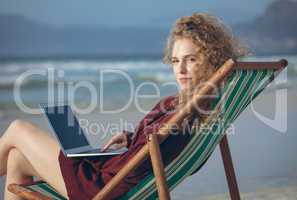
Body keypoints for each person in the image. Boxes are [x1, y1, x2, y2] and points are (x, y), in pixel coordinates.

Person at [0, 13, 246, 200]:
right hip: (115, 173)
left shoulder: (189, 110)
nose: (179, 69)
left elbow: (149, 157)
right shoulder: (202, 107)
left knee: (19, 128)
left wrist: (124, 152)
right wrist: (131, 140)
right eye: (175, 61)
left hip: (103, 187)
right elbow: (159, 148)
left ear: (212, 59)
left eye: (191, 60)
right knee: (16, 157)